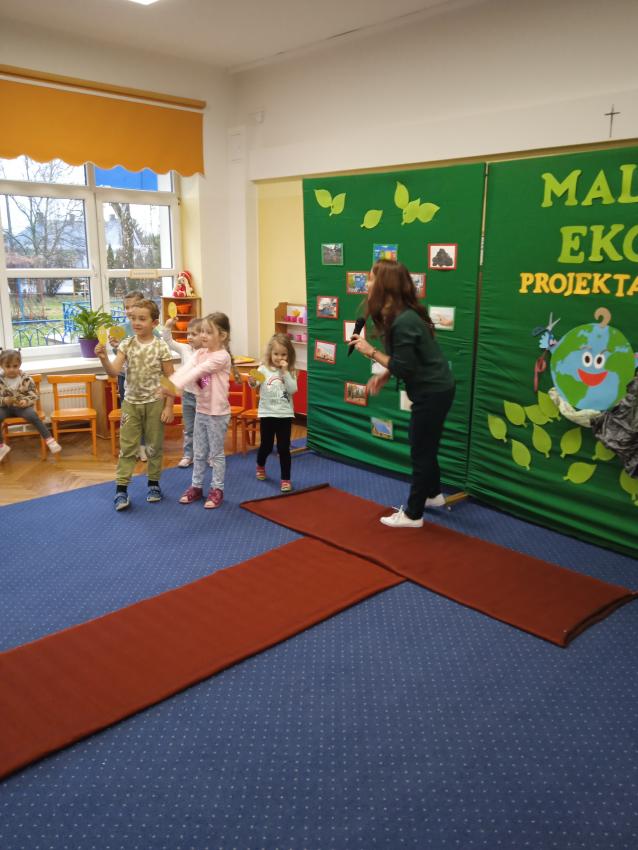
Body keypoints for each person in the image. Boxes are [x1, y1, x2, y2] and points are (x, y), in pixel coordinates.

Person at [352, 259, 455, 528]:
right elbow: (406, 359)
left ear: (384, 285)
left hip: (432, 391)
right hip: (435, 389)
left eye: (371, 278)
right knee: (425, 445)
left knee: (421, 449)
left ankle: (413, 515)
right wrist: (385, 375)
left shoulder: (404, 320)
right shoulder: (398, 315)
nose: (367, 283)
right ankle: (433, 495)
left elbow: (404, 366)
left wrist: (371, 351)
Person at [95, 299, 174, 511]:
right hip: (131, 403)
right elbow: (114, 372)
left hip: (155, 403)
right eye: (133, 318)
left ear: (154, 323)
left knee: (154, 446)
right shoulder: (126, 344)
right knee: (128, 447)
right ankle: (121, 490)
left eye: (142, 318)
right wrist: (103, 358)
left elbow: (170, 378)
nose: (136, 322)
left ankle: (154, 485)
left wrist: (169, 406)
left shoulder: (161, 346)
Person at [160, 312, 232, 509]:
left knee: (215, 454)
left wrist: (174, 387)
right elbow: (189, 370)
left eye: (208, 332)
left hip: (217, 413)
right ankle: (196, 486)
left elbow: (198, 371)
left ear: (222, 335)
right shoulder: (200, 353)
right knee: (199, 452)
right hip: (202, 409)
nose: (203, 336)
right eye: (202, 332)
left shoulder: (222, 356)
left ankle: (217, 489)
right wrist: (171, 383)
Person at [252, 333, 297, 491]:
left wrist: (285, 372)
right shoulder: (263, 369)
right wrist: (252, 381)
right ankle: (260, 464)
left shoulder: (290, 371)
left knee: (284, 448)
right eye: (276, 354)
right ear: (270, 354)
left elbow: (293, 389)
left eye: (283, 354)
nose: (279, 358)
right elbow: (254, 384)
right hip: (267, 414)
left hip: (285, 415)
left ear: (289, 355)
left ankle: (286, 479)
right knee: (267, 445)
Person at [0, 349, 62, 461]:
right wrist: (5, 400)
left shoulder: (26, 379)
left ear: (19, 365)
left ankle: (49, 439)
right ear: (1, 366)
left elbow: (34, 394)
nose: (12, 369)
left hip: (21, 407)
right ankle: (1, 447)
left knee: (32, 415)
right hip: (4, 407)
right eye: (8, 366)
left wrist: (26, 401)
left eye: (15, 366)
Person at [161, 316, 203, 467]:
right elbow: (168, 341)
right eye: (188, 333)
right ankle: (188, 455)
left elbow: (208, 377)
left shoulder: (208, 354)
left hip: (203, 398)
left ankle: (207, 455)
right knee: (189, 428)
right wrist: (168, 326)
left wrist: (202, 387)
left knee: (204, 429)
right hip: (187, 396)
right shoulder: (185, 348)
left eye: (194, 334)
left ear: (204, 335)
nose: (190, 337)